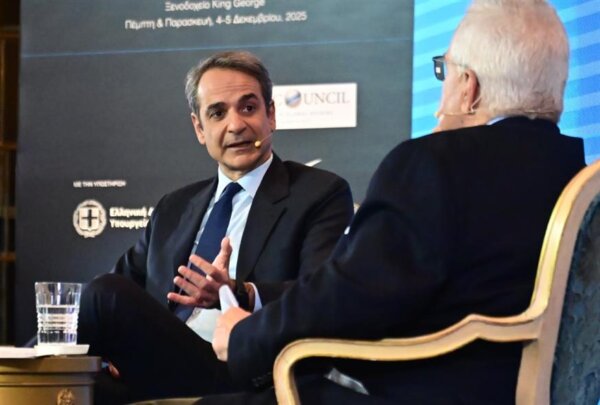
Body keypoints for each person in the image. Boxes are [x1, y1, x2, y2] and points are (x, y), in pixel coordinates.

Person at [200, 1, 586, 403]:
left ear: (469, 87)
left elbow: (351, 299)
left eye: (445, 71)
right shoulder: (575, 174)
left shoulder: (434, 164)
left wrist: (245, 335)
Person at [77, 51, 354, 404]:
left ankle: (19, 371)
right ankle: (22, 371)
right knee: (75, 385)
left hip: (243, 372)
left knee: (104, 295)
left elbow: (323, 295)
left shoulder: (318, 194)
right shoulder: (174, 207)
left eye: (248, 108)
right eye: (218, 113)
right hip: (160, 367)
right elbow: (120, 292)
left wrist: (240, 292)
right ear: (199, 128)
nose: (235, 125)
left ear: (271, 115)